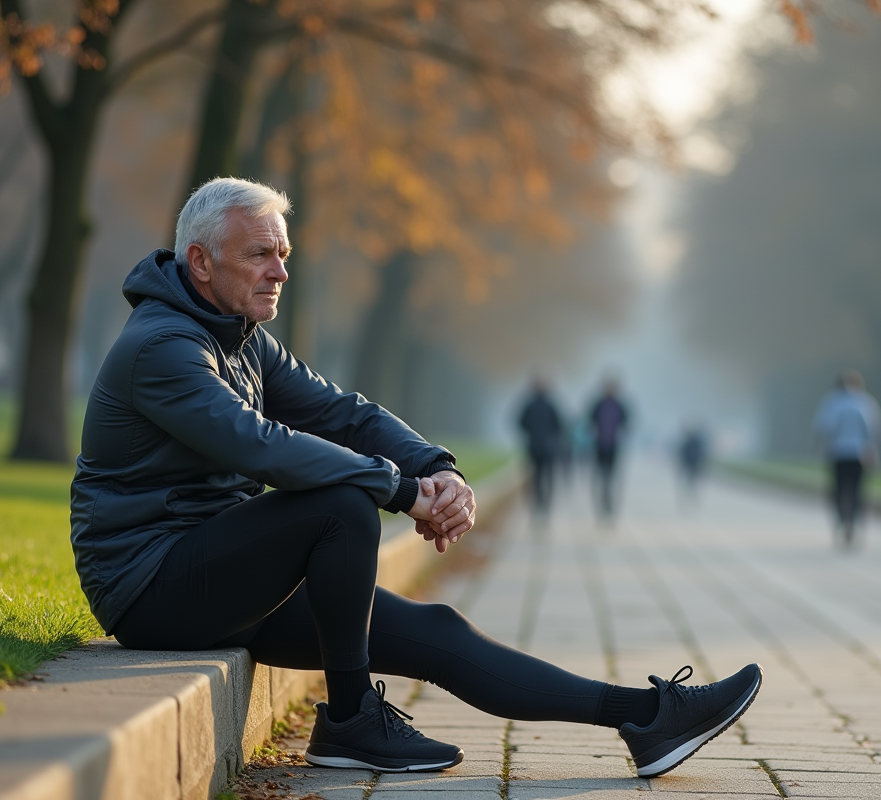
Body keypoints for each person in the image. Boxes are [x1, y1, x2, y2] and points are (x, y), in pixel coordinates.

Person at [70, 178, 762, 779]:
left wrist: (434, 467)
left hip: (222, 569)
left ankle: (647, 719)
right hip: (151, 586)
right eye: (259, 254)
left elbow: (345, 413)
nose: (279, 271)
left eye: (283, 253)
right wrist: (399, 492)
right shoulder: (164, 348)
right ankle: (350, 717)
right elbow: (262, 449)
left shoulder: (240, 336)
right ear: (200, 261)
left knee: (437, 631)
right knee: (342, 503)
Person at [813, 370, 881, 549]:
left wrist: (821, 444)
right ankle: (853, 520)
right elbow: (875, 428)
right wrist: (875, 449)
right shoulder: (867, 402)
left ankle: (842, 518)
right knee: (857, 489)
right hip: (860, 453)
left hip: (838, 452)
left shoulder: (832, 401)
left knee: (839, 488)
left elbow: (823, 426)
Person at [517, 375, 563, 516]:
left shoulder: (531, 405)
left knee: (538, 478)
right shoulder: (550, 405)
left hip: (536, 447)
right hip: (544, 448)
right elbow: (559, 426)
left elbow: (521, 422)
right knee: (544, 478)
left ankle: (540, 505)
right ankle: (542, 505)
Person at [590, 378, 630, 520]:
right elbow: (590, 421)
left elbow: (627, 422)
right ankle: (601, 505)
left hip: (614, 446)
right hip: (599, 446)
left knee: (611, 478)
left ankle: (610, 505)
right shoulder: (598, 405)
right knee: (601, 477)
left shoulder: (620, 405)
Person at [676, 421, 708, 507]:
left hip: (689, 465)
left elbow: (682, 455)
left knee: (689, 483)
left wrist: (681, 466)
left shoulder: (687, 442)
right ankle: (692, 498)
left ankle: (689, 498)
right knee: (693, 483)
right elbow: (702, 455)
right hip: (695, 465)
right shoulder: (698, 443)